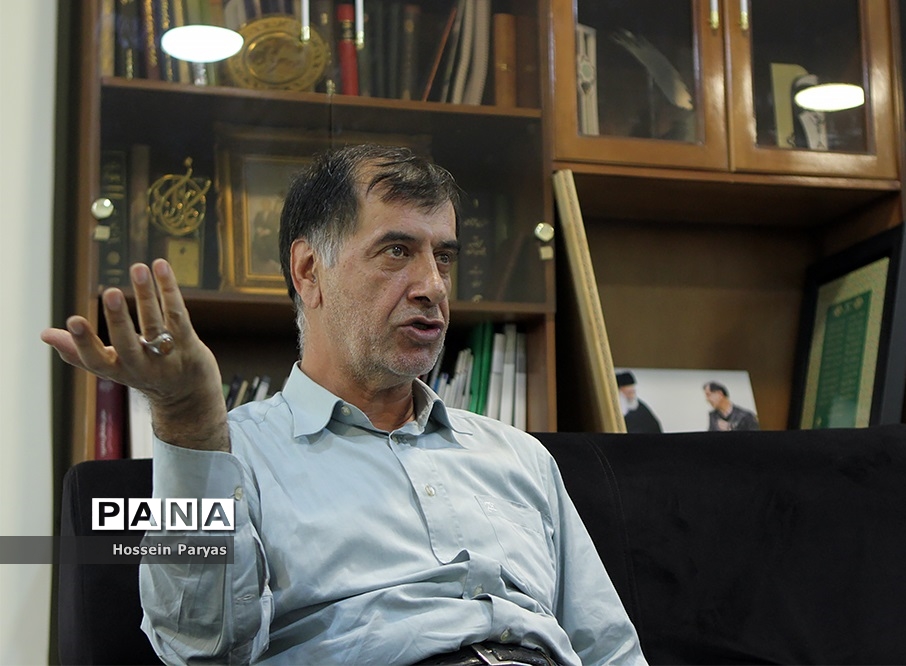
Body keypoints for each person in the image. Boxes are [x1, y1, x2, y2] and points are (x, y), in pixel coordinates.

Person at [42, 145, 646, 665]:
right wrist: (187, 422)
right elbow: (198, 648)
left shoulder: (518, 454)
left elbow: (611, 650)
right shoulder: (230, 456)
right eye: (396, 251)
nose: (433, 286)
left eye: (443, 257)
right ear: (309, 271)